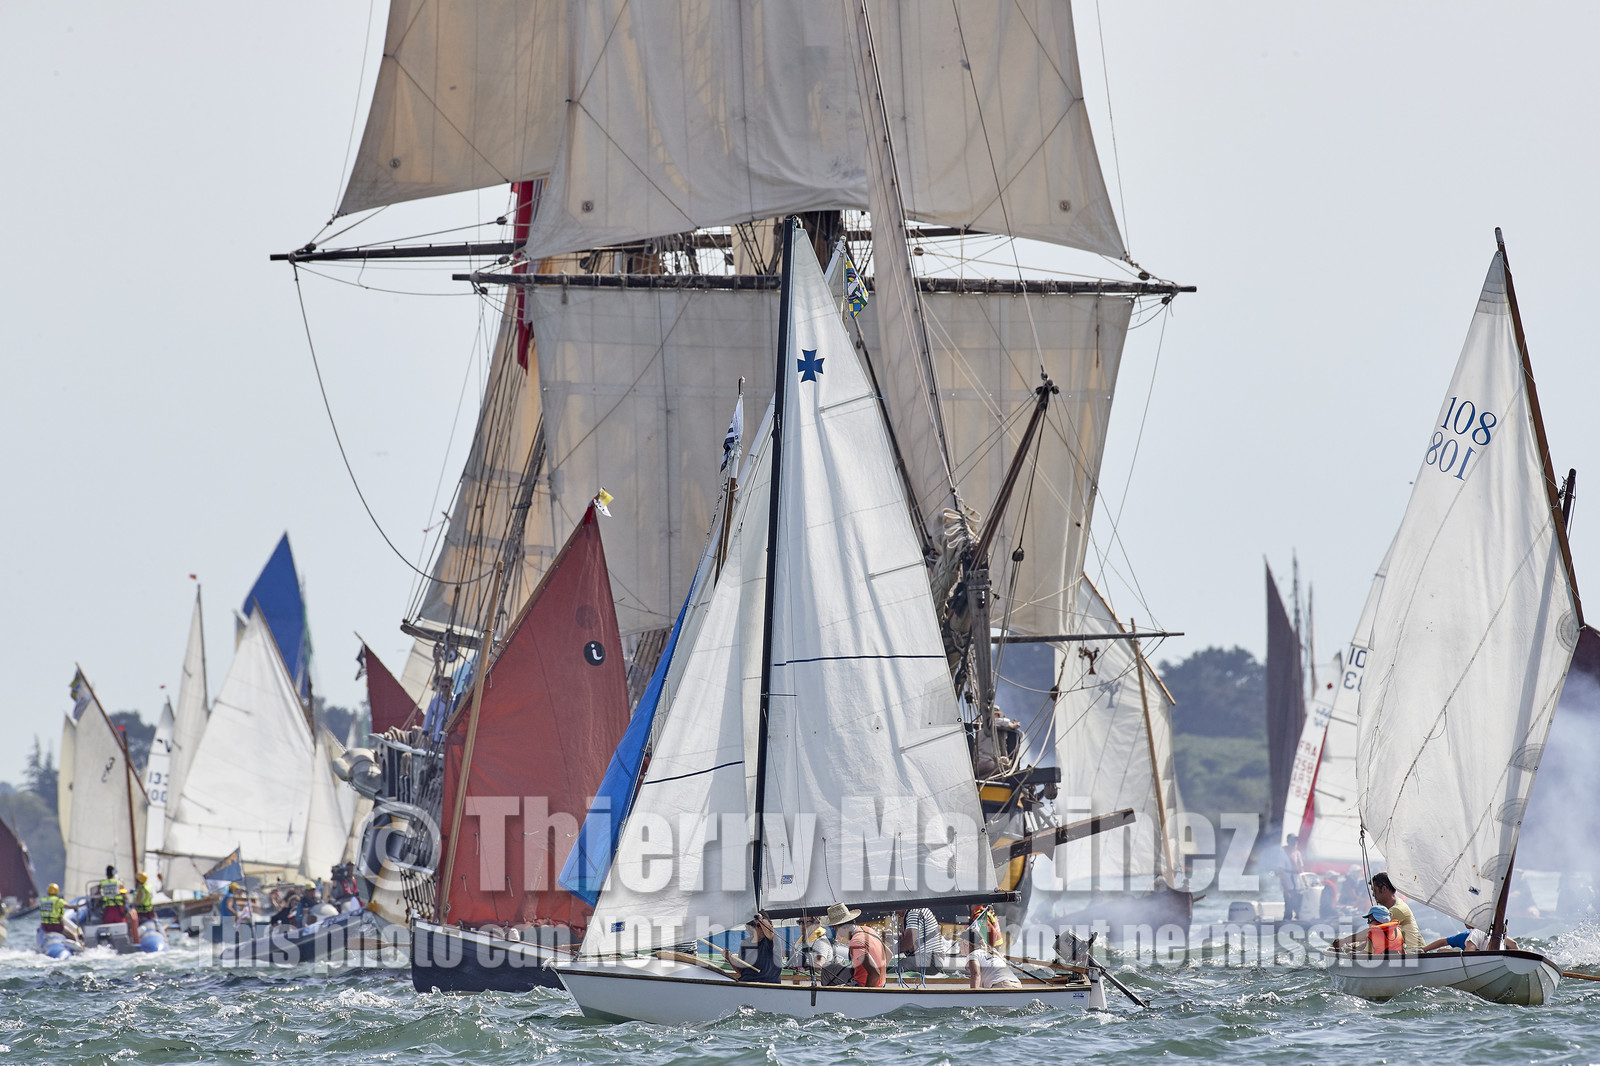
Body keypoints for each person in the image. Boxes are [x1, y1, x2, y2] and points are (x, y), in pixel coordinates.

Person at [821, 902, 885, 988]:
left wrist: (867, 995)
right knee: (827, 969)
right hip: (880, 982)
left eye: (833, 927)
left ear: (838, 927)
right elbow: (889, 954)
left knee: (829, 989)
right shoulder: (868, 930)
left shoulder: (856, 942)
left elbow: (875, 974)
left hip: (864, 984)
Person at [1369, 872, 1425, 952]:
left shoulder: (1397, 910)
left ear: (1384, 889)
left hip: (1414, 954)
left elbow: (1375, 932)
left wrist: (1348, 941)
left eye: (1374, 890)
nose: (1373, 895)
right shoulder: (1395, 905)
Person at [721, 913, 782, 983]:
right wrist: (729, 958)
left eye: (762, 925)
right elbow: (741, 971)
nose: (761, 929)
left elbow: (769, 931)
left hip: (768, 984)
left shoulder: (772, 939)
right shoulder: (745, 943)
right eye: (758, 926)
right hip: (747, 984)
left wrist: (760, 919)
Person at [1331, 906, 1402, 955]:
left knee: (1349, 950)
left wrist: (1352, 953)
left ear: (1379, 919)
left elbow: (1366, 953)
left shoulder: (1374, 933)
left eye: (1369, 920)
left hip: (1380, 965)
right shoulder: (1398, 930)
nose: (1368, 923)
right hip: (1397, 963)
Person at [902, 906, 950, 970]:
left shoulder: (914, 912)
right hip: (932, 959)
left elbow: (909, 943)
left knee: (902, 965)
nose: (894, 912)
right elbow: (911, 937)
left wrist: (889, 951)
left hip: (931, 960)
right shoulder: (915, 911)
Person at [1424, 924, 1518, 952]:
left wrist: (1423, 950)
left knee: (1441, 951)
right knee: (1442, 950)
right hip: (1501, 963)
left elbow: (1469, 954)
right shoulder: (1499, 935)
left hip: (1482, 966)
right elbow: (1514, 945)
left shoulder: (1472, 934)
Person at [1278, 835, 1306, 921]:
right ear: (1288, 841)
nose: (1294, 843)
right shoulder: (1282, 854)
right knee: (1289, 905)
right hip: (1288, 883)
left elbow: (1301, 869)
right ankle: (1286, 921)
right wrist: (1285, 889)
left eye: (1295, 841)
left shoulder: (1297, 853)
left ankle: (1299, 919)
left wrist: (1306, 882)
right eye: (1292, 841)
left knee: (1299, 904)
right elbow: (1281, 872)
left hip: (1297, 883)